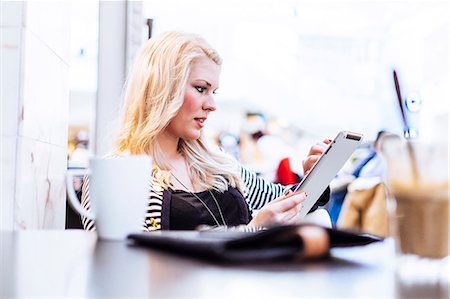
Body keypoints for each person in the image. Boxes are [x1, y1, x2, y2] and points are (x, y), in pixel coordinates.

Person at [81, 31, 330, 232]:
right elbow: (124, 263)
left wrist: (315, 176)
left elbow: (288, 202)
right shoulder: (114, 174)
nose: (211, 105)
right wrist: (253, 231)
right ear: (163, 90)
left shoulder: (217, 162)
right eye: (201, 88)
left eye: (214, 91)